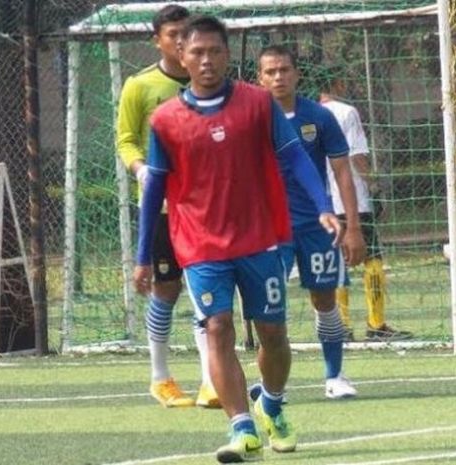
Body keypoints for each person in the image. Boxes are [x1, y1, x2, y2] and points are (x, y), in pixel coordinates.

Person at [133, 15, 342, 463]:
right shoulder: (166, 120)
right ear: (181, 56)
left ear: (228, 56)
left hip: (260, 238)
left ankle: (271, 401)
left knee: (272, 334)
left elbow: (294, 156)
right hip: (201, 245)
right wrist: (142, 254)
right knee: (217, 328)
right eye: (197, 52)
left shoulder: (257, 104)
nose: (206, 60)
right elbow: (153, 191)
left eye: (215, 51)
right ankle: (242, 427)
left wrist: (323, 204)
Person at [116, 4, 219, 409]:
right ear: (156, 39)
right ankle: (161, 377)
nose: (181, 41)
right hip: (160, 209)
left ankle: (212, 379)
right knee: (167, 290)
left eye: (185, 33)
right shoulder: (140, 86)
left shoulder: (210, 87)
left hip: (204, 208)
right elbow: (125, 139)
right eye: (173, 34)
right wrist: (141, 169)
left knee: (206, 291)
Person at [256, 45, 365, 400]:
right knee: (270, 308)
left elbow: (342, 173)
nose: (278, 77)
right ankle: (274, 385)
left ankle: (335, 375)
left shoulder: (319, 116)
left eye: (284, 70)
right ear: (260, 77)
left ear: (296, 74)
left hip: (318, 225)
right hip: (269, 228)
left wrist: (353, 227)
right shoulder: (252, 119)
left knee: (325, 299)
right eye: (270, 71)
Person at [319, 69, 413, 342]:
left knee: (338, 264)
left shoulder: (309, 113)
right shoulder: (347, 112)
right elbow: (357, 157)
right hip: (354, 200)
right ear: (338, 82)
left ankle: (342, 327)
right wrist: (373, 185)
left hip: (324, 202)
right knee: (373, 259)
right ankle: (376, 324)